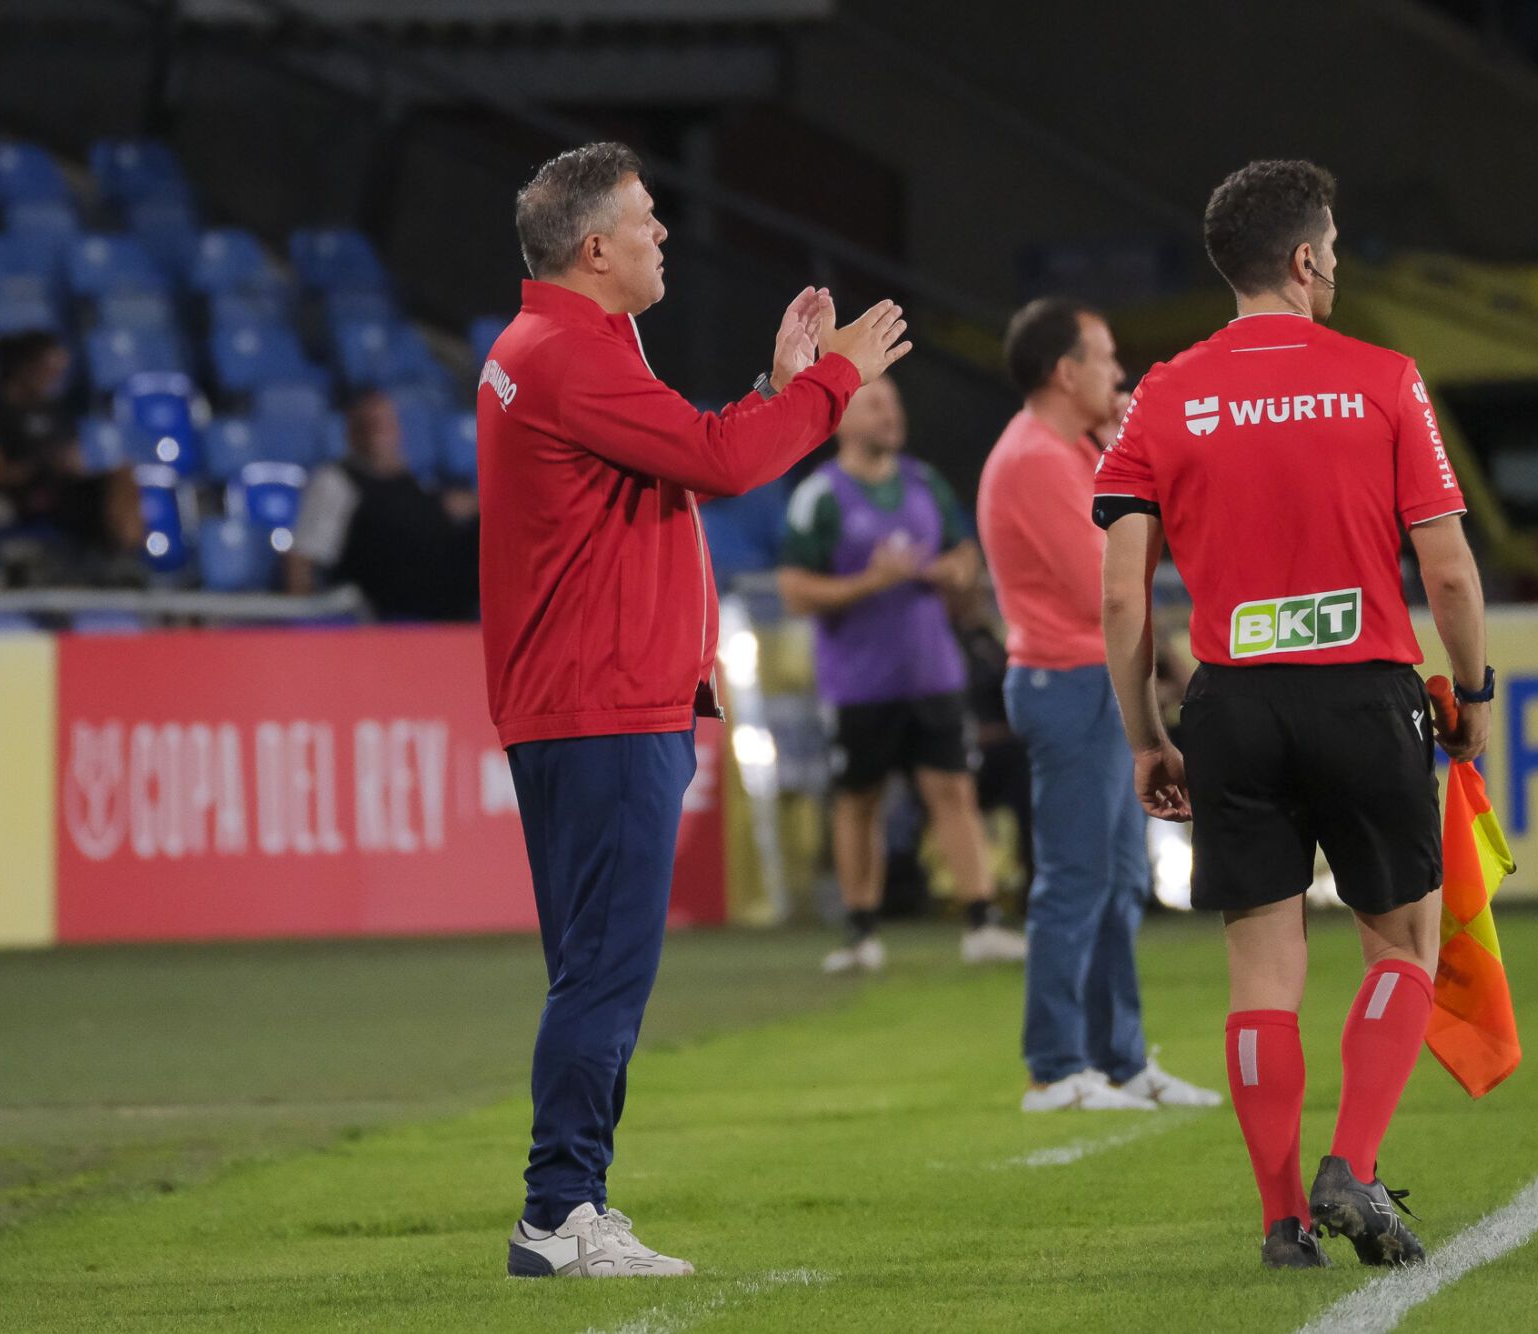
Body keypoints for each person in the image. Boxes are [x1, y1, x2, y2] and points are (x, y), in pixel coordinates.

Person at [477, 141, 909, 1279]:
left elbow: (690, 451)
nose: (665, 232)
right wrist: (833, 381)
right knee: (604, 972)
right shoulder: (566, 354)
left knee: (597, 964)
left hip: (589, 696)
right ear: (595, 247)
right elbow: (718, 465)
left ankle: (575, 1203)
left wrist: (778, 389)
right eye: (648, 217)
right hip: (602, 699)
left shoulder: (558, 345)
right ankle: (556, 1208)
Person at [1095, 160, 1490, 1270]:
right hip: (1363, 689)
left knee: (1261, 971)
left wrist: (1144, 734)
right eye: (1334, 250)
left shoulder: (1163, 392)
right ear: (1307, 258)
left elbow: (1122, 592)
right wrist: (1472, 689)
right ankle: (1350, 1168)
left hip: (1230, 704)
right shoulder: (1382, 377)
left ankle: (1280, 1223)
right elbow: (1448, 572)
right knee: (1401, 941)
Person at [977, 298, 1220, 1113]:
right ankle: (1055, 1067)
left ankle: (1118, 1059)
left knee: (1116, 881)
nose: (1119, 375)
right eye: (1106, 357)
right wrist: (1182, 668)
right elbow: (1106, 589)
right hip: (1071, 683)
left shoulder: (1068, 449)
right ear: (1064, 371)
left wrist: (1119, 444)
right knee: (1077, 882)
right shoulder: (1037, 460)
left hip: (1092, 683)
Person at [777, 376, 1028, 973]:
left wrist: (952, 571)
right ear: (842, 419)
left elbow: (966, 554)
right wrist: (871, 582)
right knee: (859, 800)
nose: (891, 413)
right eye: (875, 403)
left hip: (933, 672)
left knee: (953, 791)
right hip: (859, 683)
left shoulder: (924, 483)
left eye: (895, 401)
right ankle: (861, 932)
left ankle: (981, 921)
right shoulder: (820, 496)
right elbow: (793, 590)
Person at [0, 329, 143, 578]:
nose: (53, 378)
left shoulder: (57, 412)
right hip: (25, 496)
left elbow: (74, 459)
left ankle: (127, 559)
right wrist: (41, 466)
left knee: (122, 473)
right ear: (24, 367)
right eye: (47, 370)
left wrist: (71, 465)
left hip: (64, 491)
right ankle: (120, 565)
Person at [287, 389, 479, 619]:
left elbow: (445, 507)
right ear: (351, 432)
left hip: (445, 596)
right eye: (368, 424)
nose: (378, 432)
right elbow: (302, 558)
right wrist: (305, 624)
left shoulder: (409, 481)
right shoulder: (335, 481)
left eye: (385, 424)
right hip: (386, 601)